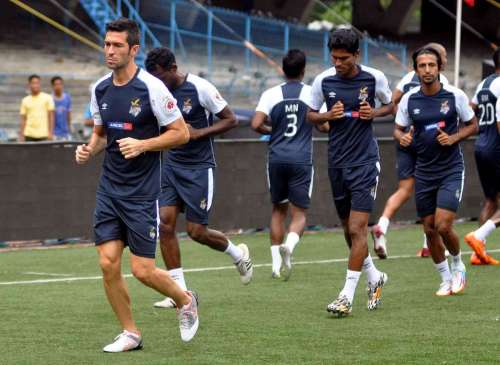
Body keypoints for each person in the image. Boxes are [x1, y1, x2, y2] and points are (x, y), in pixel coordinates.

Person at [75, 18, 199, 352]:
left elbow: (182, 132)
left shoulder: (152, 89)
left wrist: (143, 144)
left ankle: (186, 300)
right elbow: (102, 133)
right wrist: (89, 148)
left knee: (143, 270)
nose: (109, 51)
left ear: (134, 50)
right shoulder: (99, 88)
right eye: (106, 44)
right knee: (107, 262)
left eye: (116, 45)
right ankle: (131, 332)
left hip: (142, 193)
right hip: (109, 188)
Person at [144, 47, 253, 309]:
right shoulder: (156, 92)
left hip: (198, 168)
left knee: (196, 232)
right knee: (165, 225)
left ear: (173, 69)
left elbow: (231, 120)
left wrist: (198, 133)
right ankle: (178, 292)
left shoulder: (200, 87)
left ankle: (238, 254)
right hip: (170, 166)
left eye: (160, 76)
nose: (158, 83)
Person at [306, 28, 393, 317]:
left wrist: (375, 113)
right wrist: (327, 116)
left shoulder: (374, 77)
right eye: (334, 57)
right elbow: (310, 115)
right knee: (349, 230)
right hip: (337, 163)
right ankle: (374, 277)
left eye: (343, 58)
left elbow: (391, 105)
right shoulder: (323, 80)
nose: (338, 63)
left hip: (365, 162)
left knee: (357, 229)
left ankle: (346, 296)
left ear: (357, 55)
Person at [395, 46, 478, 296]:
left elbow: (472, 125)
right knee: (429, 228)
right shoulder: (409, 99)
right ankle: (444, 278)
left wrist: (454, 138)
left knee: (443, 225)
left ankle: (458, 264)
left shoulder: (455, 96)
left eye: (432, 65)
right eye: (422, 66)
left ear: (440, 67)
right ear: (416, 69)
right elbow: (398, 129)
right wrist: (402, 138)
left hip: (451, 169)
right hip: (424, 171)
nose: (427, 70)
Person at [251, 49, 328, 279]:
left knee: (277, 210)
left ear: (283, 70)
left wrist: (274, 131)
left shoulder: (270, 94)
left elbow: (256, 124)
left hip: (276, 158)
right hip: (301, 159)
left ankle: (275, 266)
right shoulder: (312, 94)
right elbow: (323, 126)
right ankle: (290, 247)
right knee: (300, 213)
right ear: (304, 71)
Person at [371, 43, 449, 259]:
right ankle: (427, 243)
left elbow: (393, 102)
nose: (444, 60)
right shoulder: (442, 82)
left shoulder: (406, 78)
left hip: (405, 138)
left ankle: (383, 225)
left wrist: (406, 126)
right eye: (442, 56)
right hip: (428, 143)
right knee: (434, 187)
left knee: (405, 189)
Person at [464, 48, 500, 265]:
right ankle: (479, 236)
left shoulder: (484, 83)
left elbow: (471, 109)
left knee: (491, 199)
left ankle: (478, 252)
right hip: (496, 146)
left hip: (482, 145)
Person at [19, 74, 54, 141]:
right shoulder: (25, 100)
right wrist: (22, 134)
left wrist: (51, 132)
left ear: (40, 84)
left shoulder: (47, 98)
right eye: (33, 83)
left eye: (37, 83)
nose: (35, 85)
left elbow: (51, 117)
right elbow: (23, 119)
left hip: (44, 134)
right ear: (29, 85)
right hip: (29, 134)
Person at [51, 76, 72, 140]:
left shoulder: (67, 98)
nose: (58, 86)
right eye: (56, 84)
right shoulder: (49, 99)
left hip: (65, 132)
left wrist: (69, 127)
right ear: (53, 86)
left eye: (60, 84)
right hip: (54, 133)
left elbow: (69, 113)